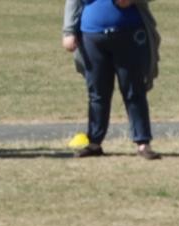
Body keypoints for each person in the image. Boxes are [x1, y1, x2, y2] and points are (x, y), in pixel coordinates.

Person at [61, 0, 161, 160]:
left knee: (134, 91)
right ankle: (94, 142)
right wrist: (68, 31)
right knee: (97, 93)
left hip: (129, 34)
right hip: (92, 36)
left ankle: (143, 143)